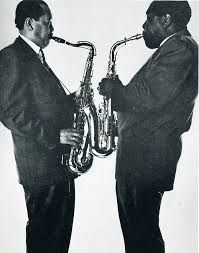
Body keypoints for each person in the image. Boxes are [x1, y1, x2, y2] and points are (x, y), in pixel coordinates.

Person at [99, 1, 198, 253]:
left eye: (148, 19)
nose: (143, 27)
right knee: (137, 236)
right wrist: (119, 94)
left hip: (146, 160)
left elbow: (150, 96)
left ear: (165, 19)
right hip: (140, 158)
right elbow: (151, 99)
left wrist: (116, 91)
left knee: (143, 237)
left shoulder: (180, 48)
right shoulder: (173, 48)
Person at [0, 1, 83, 253]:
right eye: (47, 22)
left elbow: (43, 106)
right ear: (29, 23)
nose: (52, 28)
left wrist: (75, 99)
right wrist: (56, 135)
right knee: (46, 241)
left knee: (57, 242)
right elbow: (11, 112)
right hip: (41, 169)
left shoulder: (34, 57)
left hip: (55, 166)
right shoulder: (11, 56)